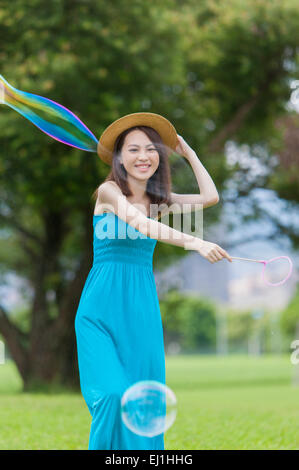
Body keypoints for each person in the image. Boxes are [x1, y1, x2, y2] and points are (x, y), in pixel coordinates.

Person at [74, 112, 232, 450]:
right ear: (119, 158)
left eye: (150, 148)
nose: (143, 156)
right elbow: (141, 224)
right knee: (112, 395)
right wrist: (196, 242)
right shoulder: (109, 192)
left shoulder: (158, 204)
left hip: (140, 310)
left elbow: (210, 198)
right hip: (99, 310)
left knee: (143, 402)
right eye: (133, 149)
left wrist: (187, 152)